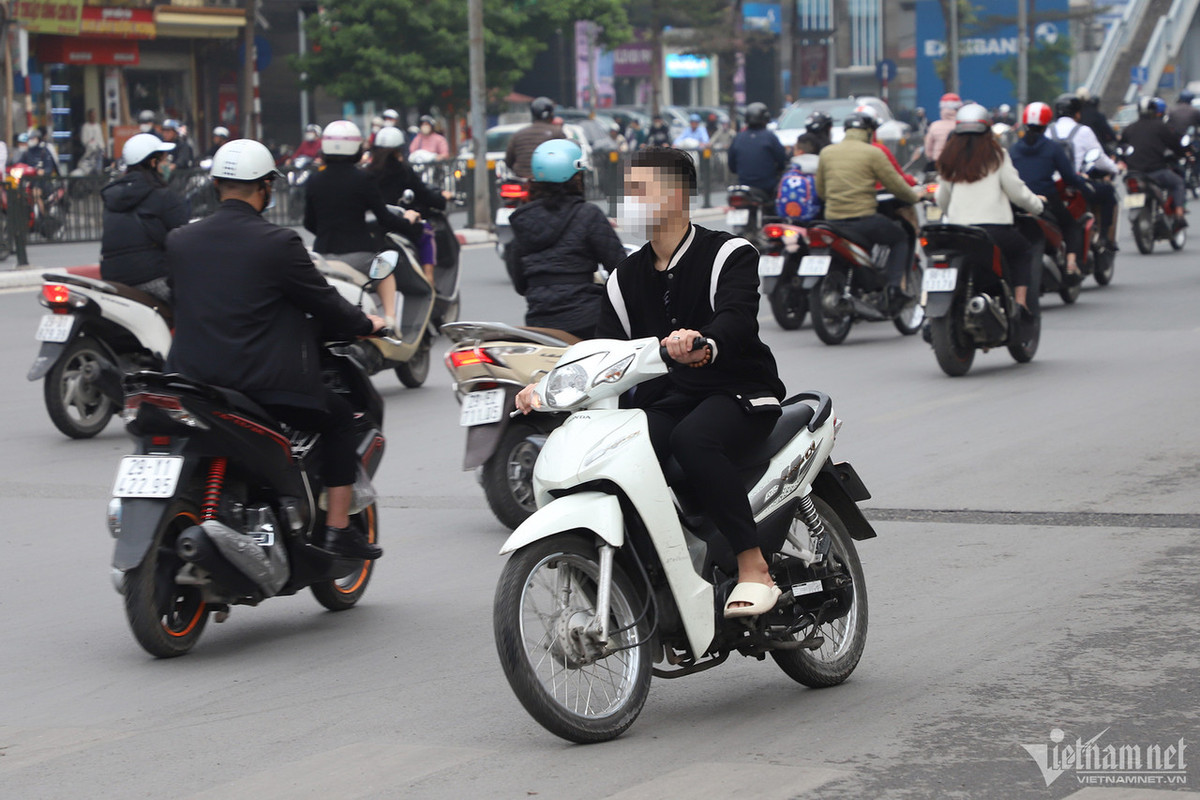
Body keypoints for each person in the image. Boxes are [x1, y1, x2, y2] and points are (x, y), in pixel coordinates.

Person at [516, 147, 788, 618]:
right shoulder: (623, 278)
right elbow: (603, 350)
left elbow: (737, 318)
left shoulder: (728, 253)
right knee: (616, 451)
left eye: (641, 190)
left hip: (738, 391)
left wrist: (704, 342)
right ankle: (657, 568)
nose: (630, 200)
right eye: (628, 191)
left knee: (693, 440)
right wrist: (548, 384)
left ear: (678, 194)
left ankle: (752, 564)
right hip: (671, 398)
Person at [166, 138, 384, 561]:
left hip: (189, 382)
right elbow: (325, 304)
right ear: (265, 186)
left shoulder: (180, 240)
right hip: (262, 386)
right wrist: (367, 324)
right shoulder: (278, 243)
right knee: (341, 421)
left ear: (216, 185)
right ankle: (338, 532)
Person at [304, 119, 424, 324]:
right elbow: (385, 218)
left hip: (323, 256)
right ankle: (390, 320)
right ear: (356, 148)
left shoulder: (314, 180)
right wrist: (409, 223)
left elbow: (308, 222)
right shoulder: (362, 179)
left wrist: (328, 232)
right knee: (386, 269)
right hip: (358, 256)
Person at [504, 139, 626, 339]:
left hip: (540, 325)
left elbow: (520, 284)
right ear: (576, 177)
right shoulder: (588, 215)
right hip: (589, 321)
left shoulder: (523, 221)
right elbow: (622, 271)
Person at [936, 103, 1044, 313]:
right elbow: (1018, 192)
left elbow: (942, 197)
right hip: (994, 231)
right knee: (1022, 251)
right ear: (988, 131)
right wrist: (1038, 206)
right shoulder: (998, 156)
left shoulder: (950, 158)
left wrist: (954, 215)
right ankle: (1020, 305)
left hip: (959, 232)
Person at [816, 111, 923, 311]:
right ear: (868, 132)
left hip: (832, 222)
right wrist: (915, 197)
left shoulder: (827, 153)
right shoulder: (873, 153)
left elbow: (821, 190)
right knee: (900, 237)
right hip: (863, 220)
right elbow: (896, 185)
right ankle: (893, 290)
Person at [99, 133, 190, 302]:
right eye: (164, 160)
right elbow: (184, 242)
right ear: (153, 163)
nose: (168, 165)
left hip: (112, 280)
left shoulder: (113, 196)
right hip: (153, 279)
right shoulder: (164, 197)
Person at [1011, 101, 1091, 279]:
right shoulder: (1052, 148)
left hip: (1018, 201)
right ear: (1047, 123)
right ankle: (1071, 264)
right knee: (1071, 226)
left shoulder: (1014, 149)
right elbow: (1069, 176)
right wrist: (1085, 186)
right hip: (1046, 199)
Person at [367, 125, 451, 284]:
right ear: (399, 150)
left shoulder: (366, 173)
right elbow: (424, 194)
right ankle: (429, 280)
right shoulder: (403, 171)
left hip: (373, 227)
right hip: (397, 223)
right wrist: (441, 199)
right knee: (426, 232)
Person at [1049, 93, 1121, 249]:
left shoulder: (1048, 132)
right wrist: (1115, 168)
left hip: (1052, 188)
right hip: (1076, 186)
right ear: (1077, 113)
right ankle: (1104, 239)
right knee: (1108, 192)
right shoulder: (1084, 131)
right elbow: (1101, 159)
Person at [1119, 96, 1187, 228]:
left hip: (1133, 174)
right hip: (1156, 171)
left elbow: (1121, 148)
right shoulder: (1161, 127)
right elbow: (1175, 144)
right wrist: (1181, 154)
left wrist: (1124, 161)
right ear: (1155, 112)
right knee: (1178, 182)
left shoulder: (1129, 129)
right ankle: (1179, 214)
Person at [727, 102, 788, 196]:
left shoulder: (738, 138)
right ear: (766, 118)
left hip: (743, 184)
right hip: (767, 185)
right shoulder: (770, 137)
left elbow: (732, 166)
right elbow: (781, 160)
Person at [505, 97, 564, 179]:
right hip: (549, 181)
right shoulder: (557, 133)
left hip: (521, 180)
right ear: (551, 114)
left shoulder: (518, 135)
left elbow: (509, 162)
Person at [923, 92, 962, 166]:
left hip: (938, 162)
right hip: (958, 163)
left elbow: (928, 148)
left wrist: (931, 157)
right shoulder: (961, 125)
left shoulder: (934, 126)